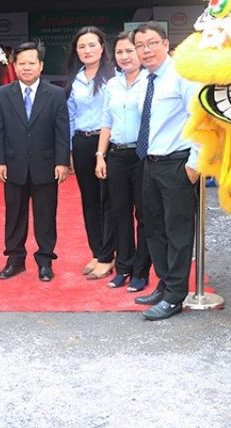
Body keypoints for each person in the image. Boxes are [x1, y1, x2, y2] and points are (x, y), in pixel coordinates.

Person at [131, 22, 200, 321]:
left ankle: (174, 296)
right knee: (154, 228)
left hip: (177, 164)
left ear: (165, 44)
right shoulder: (147, 80)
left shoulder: (182, 75)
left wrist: (195, 165)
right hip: (150, 163)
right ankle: (165, 282)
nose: (145, 50)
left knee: (178, 231)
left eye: (151, 43)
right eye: (140, 46)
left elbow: (199, 118)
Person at [0, 41, 70, 282]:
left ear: (41, 65)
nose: (26, 68)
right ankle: (15, 260)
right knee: (14, 215)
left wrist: (62, 161)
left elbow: (62, 130)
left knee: (46, 215)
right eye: (21, 63)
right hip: (13, 165)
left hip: (45, 165)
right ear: (14, 66)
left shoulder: (55, 94)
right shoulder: (2, 94)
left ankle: (45, 260)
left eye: (31, 63)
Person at [94, 31, 152, 293]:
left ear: (140, 52)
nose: (125, 56)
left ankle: (141, 271)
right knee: (119, 213)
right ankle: (123, 268)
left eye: (130, 50)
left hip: (143, 157)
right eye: (119, 52)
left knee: (144, 215)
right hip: (116, 155)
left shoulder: (151, 82)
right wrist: (100, 155)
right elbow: (106, 122)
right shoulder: (112, 85)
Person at [65, 26, 116, 280]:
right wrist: (71, 150)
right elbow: (70, 116)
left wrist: (102, 151)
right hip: (82, 143)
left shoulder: (113, 78)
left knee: (108, 200)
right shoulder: (75, 79)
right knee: (89, 201)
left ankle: (108, 255)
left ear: (102, 47)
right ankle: (97, 251)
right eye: (82, 46)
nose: (87, 50)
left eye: (92, 45)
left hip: (106, 143)